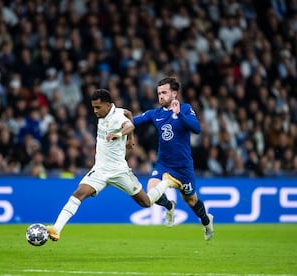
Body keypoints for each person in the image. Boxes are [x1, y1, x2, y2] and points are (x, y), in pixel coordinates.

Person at [46, 89, 182, 241]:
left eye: (98, 107)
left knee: (146, 202)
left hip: (119, 171)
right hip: (99, 170)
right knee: (78, 194)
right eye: (93, 107)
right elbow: (129, 113)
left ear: (108, 105)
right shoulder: (113, 111)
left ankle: (167, 184)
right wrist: (131, 139)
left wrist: (120, 134)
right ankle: (56, 229)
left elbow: (129, 124)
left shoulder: (116, 116)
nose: (95, 111)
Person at [125, 76, 214, 240]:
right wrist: (115, 120)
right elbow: (134, 121)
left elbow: (197, 129)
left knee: (192, 201)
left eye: (164, 93)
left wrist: (179, 114)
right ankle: (169, 206)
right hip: (163, 164)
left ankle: (206, 221)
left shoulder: (186, 109)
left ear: (174, 93)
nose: (160, 96)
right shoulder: (155, 113)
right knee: (151, 191)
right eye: (159, 93)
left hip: (183, 168)